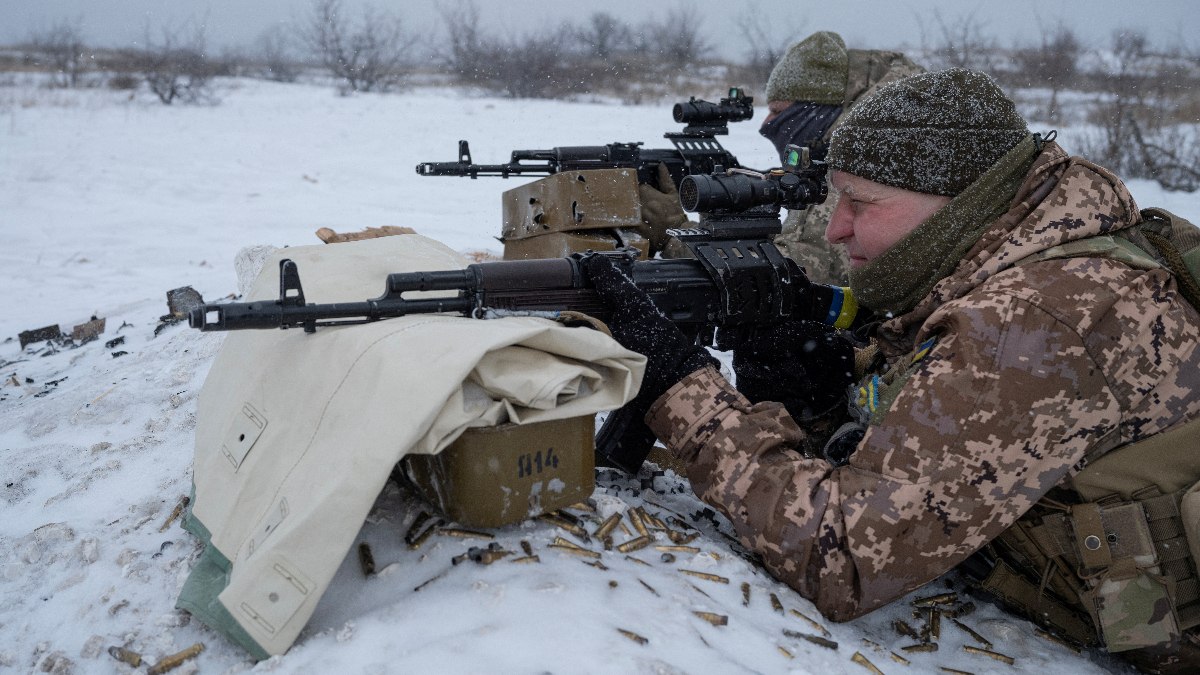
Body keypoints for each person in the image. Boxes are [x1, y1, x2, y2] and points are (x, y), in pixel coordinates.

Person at [584, 68, 1200, 672]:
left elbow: (843, 557)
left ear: (962, 202)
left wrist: (684, 388)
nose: (835, 227)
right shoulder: (1028, 247)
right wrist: (824, 396)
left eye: (861, 202)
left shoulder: (1032, 319)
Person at [638, 31, 923, 284]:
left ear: (815, 110)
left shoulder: (863, 159)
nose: (767, 124)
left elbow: (809, 272)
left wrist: (676, 233)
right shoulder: (828, 150)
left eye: (779, 111)